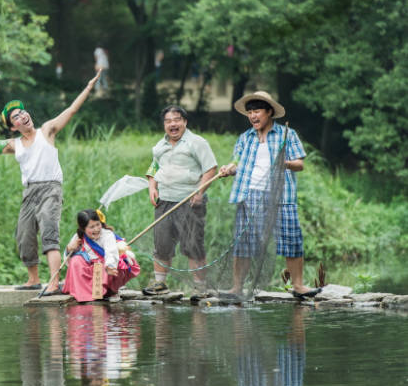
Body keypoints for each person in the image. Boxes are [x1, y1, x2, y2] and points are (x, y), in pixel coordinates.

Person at [0, 71, 101, 293]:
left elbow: (71, 110)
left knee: (48, 231)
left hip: (51, 188)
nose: (22, 116)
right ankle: (33, 279)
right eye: (16, 116)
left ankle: (54, 281)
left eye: (22, 112)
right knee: (24, 234)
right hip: (30, 192)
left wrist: (89, 87)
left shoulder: (47, 131)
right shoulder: (14, 144)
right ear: (13, 126)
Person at [219, 91, 321, 299]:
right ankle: (236, 288)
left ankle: (299, 286)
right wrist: (228, 169)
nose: (253, 116)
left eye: (257, 111)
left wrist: (285, 163)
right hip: (249, 195)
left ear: (269, 112)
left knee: (291, 239)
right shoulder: (245, 138)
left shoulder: (287, 135)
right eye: (249, 112)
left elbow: (300, 164)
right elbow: (236, 163)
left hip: (281, 197)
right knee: (243, 242)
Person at [143, 105, 218, 296]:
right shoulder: (160, 146)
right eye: (168, 121)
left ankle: (200, 288)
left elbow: (211, 169)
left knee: (193, 245)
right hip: (164, 201)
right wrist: (152, 187)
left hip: (190, 202)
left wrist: (199, 192)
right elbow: (153, 168)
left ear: (184, 122)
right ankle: (160, 284)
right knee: (162, 244)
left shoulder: (197, 142)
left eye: (176, 120)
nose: (172, 124)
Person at [62, 209, 140, 302]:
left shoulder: (107, 235)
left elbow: (111, 253)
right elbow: (67, 260)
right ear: (83, 229)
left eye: (98, 224)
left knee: (115, 263)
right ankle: (84, 294)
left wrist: (109, 266)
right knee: (76, 260)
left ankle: (110, 292)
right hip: (90, 267)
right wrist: (69, 248)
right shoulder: (78, 237)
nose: (96, 229)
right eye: (91, 227)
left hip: (105, 267)